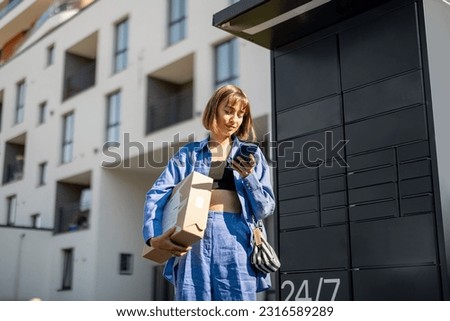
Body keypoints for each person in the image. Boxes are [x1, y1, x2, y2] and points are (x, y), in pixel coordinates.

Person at [142, 84, 275, 301]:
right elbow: (157, 194)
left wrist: (249, 177)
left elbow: (265, 208)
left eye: (240, 115)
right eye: (228, 111)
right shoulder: (189, 154)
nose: (234, 119)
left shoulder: (253, 156)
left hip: (237, 240)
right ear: (214, 109)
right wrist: (152, 237)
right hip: (192, 241)